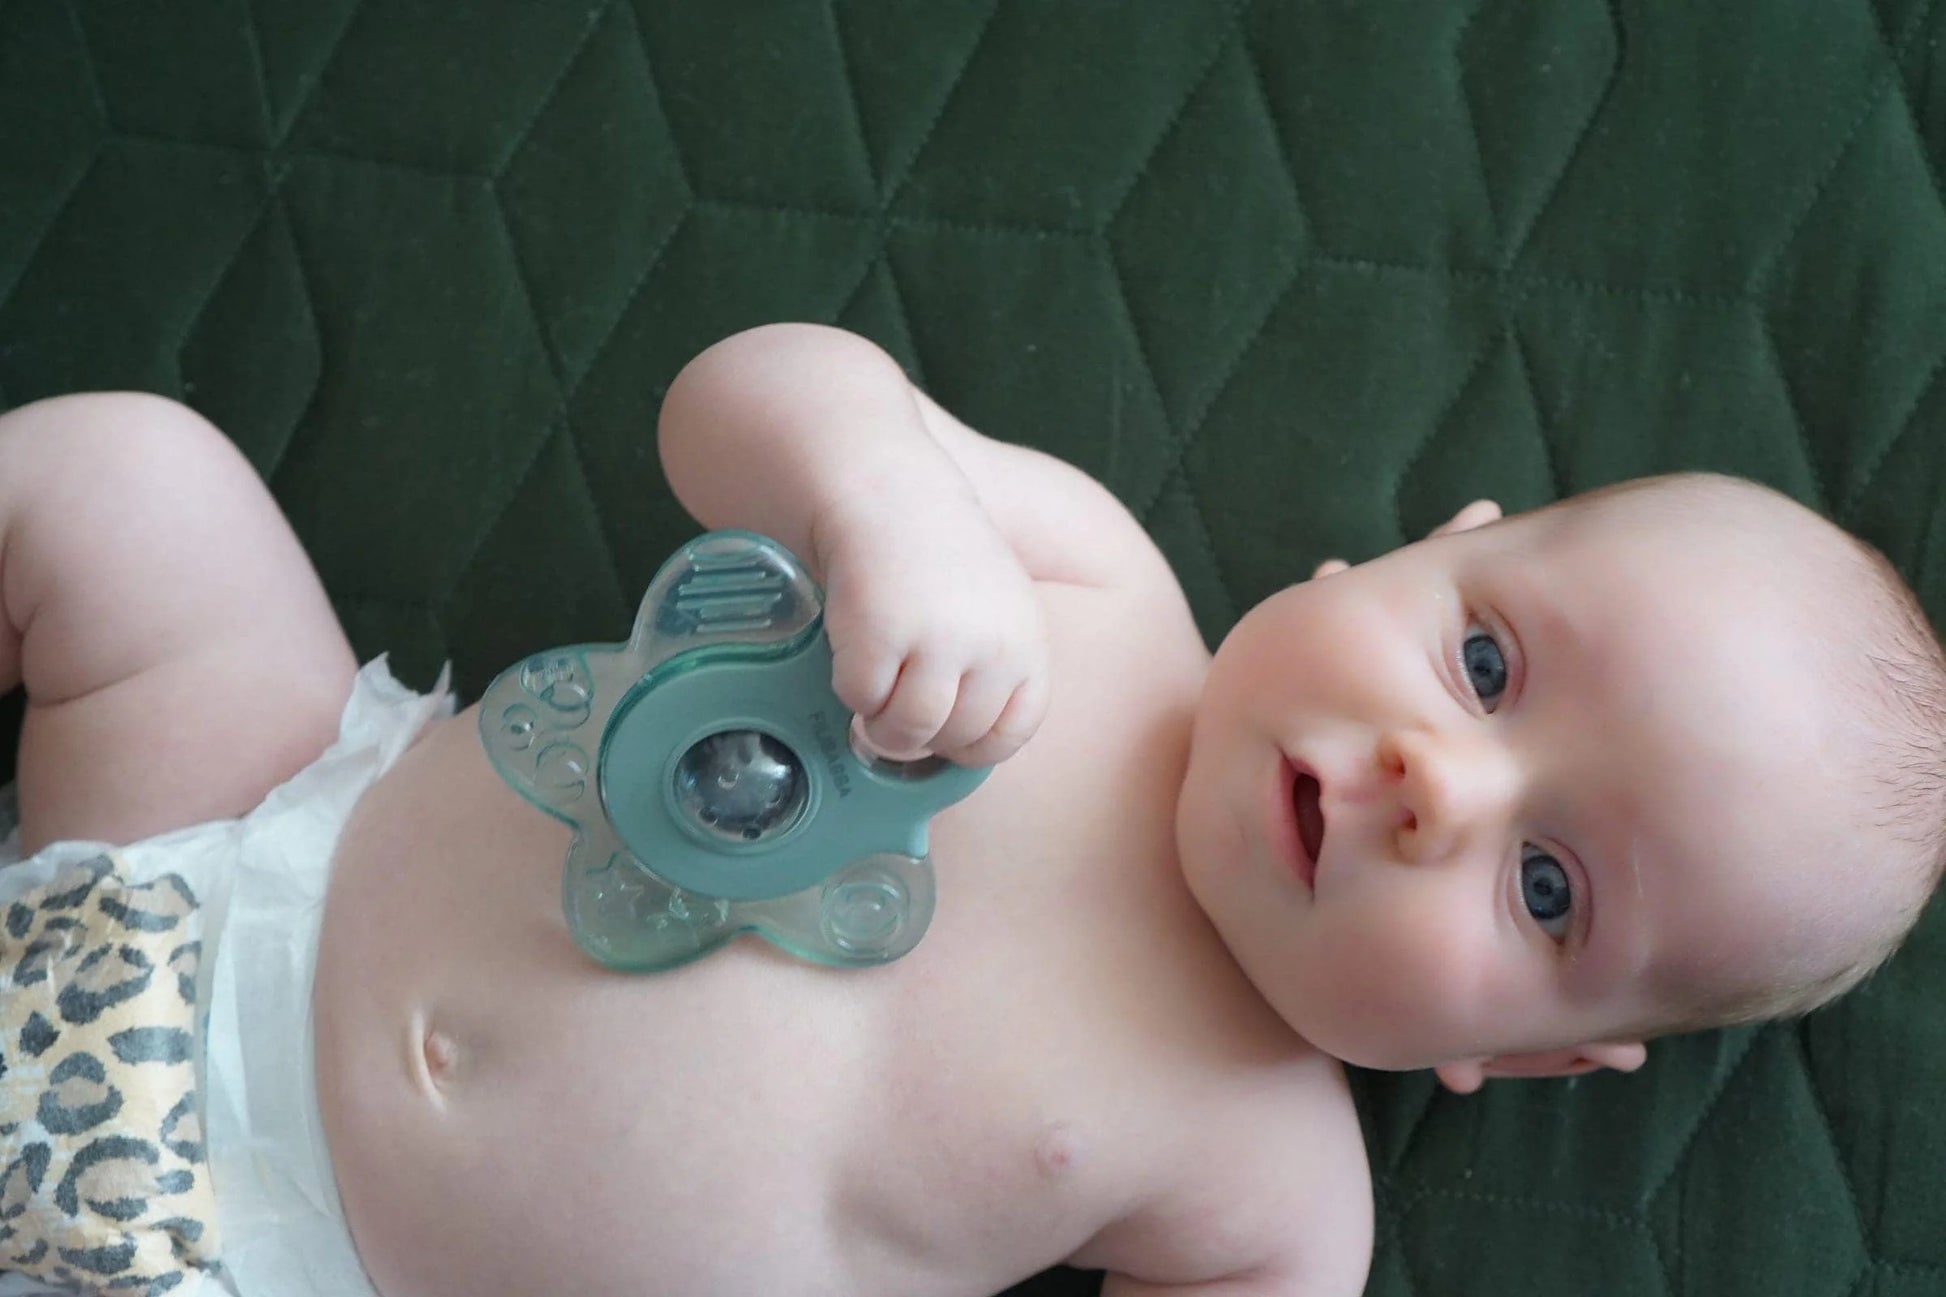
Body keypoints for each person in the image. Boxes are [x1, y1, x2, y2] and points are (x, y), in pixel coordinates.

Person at [0, 321, 1939, 1297]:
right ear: (1417, 552)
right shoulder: (1084, 584)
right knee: (128, 489)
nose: (1441, 783)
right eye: (1489, 663)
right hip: (232, 833)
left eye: (1546, 885)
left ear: (1524, 1058)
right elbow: (735, 393)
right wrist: (879, 500)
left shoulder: (1271, 1199)